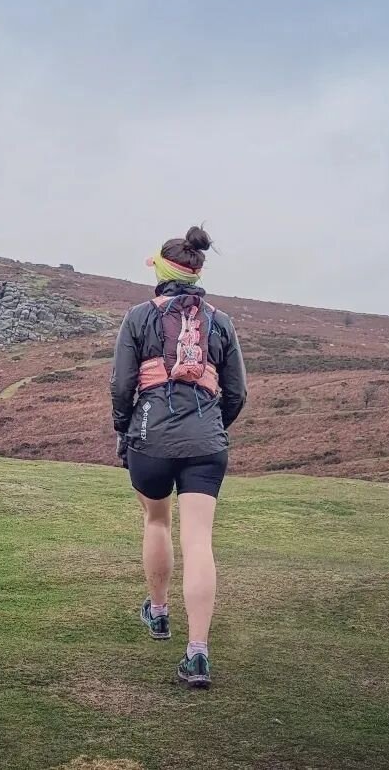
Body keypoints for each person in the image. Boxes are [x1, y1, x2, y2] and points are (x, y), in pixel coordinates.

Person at [109, 225, 247, 688]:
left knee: (156, 522)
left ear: (163, 272)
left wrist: (124, 429)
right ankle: (198, 653)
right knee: (200, 541)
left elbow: (123, 385)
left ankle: (160, 613)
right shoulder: (221, 322)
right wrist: (210, 426)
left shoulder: (137, 318)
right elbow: (237, 393)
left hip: (150, 439)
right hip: (206, 444)